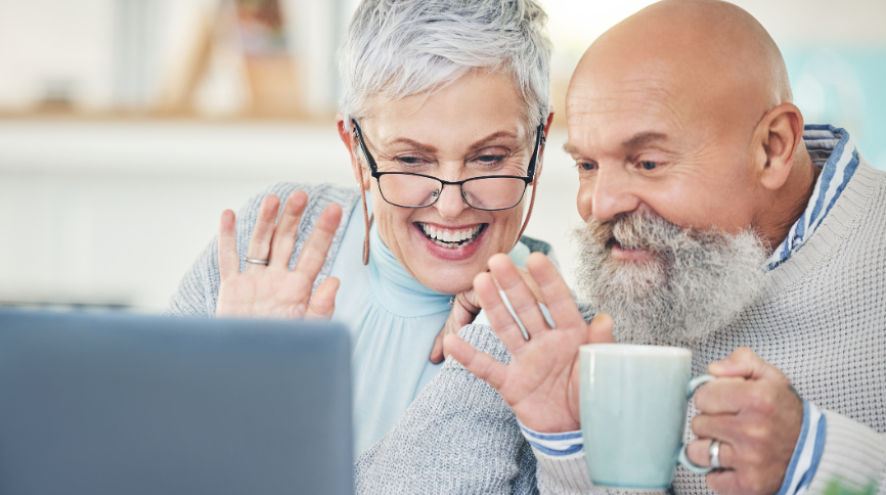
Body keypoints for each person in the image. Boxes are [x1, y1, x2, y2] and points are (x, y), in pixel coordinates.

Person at [354, 1, 886, 494]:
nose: (599, 204)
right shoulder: (612, 298)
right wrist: (571, 445)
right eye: (586, 165)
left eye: (647, 162)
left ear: (772, 148)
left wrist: (816, 459)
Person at [166, 0, 555, 458]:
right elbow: (137, 457)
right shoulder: (269, 245)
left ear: (539, 146)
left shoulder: (553, 341)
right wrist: (231, 387)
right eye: (410, 160)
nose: (451, 206)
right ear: (355, 149)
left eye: (488, 158)